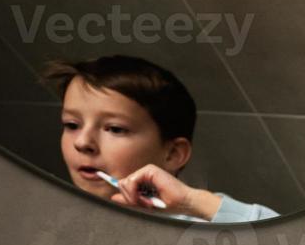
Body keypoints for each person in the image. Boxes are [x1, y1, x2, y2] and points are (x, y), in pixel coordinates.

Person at [44, 55, 278, 222]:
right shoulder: (50, 224)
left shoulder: (203, 228)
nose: (82, 142)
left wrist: (192, 203)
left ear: (173, 154)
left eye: (115, 129)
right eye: (72, 124)